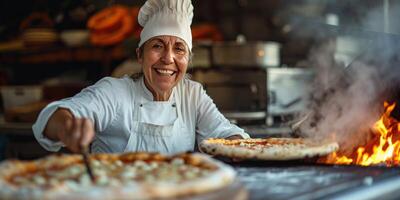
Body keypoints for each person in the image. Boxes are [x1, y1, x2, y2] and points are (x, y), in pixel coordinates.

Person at [32, 0, 249, 154]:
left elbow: (224, 133)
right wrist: (66, 126)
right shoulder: (115, 92)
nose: (168, 58)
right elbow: (57, 116)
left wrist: (239, 144)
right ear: (140, 55)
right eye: (157, 46)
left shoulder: (192, 95)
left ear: (188, 59)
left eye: (179, 49)